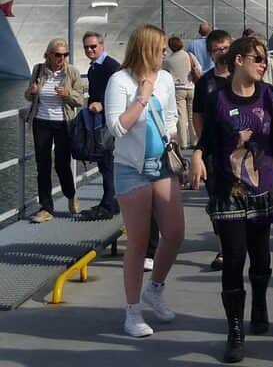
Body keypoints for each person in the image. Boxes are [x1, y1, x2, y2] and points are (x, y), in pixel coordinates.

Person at [190, 36, 273, 363]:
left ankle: (260, 302)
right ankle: (234, 331)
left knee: (261, 258)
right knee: (234, 258)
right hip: (230, 191)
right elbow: (209, 138)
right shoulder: (218, 99)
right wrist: (197, 156)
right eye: (257, 58)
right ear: (239, 60)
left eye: (265, 59)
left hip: (263, 188)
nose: (263, 64)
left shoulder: (268, 94)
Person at [105, 24, 185, 338]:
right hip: (131, 168)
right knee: (138, 242)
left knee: (175, 233)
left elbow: (169, 118)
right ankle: (133, 310)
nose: (165, 53)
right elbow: (116, 128)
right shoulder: (120, 81)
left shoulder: (165, 78)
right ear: (147, 48)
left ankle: (156, 288)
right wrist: (141, 98)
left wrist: (174, 138)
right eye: (161, 48)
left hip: (162, 164)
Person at [25, 38, 84, 223]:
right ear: (48, 54)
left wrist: (68, 95)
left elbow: (80, 100)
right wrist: (32, 92)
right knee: (42, 164)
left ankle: (70, 194)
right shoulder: (38, 70)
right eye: (58, 55)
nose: (62, 58)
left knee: (61, 164)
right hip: (41, 121)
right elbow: (28, 96)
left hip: (62, 123)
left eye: (65, 55)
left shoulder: (72, 72)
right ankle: (46, 208)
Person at [192, 28, 232, 271]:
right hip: (214, 152)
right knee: (217, 200)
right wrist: (203, 144)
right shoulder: (205, 82)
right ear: (209, 53)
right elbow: (197, 114)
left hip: (243, 152)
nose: (222, 53)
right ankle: (223, 248)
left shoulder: (241, 76)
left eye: (226, 48)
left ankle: (242, 240)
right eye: (217, 50)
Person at [81, 31, 121, 220]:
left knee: (107, 161)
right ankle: (112, 202)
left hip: (108, 121)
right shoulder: (94, 68)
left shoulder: (110, 66)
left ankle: (108, 205)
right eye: (87, 47)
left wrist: (102, 105)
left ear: (102, 46)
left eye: (93, 46)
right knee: (104, 161)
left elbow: (119, 92)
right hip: (99, 120)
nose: (90, 50)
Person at [162, 35, 196, 149]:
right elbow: (198, 68)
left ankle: (183, 142)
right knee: (192, 115)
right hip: (191, 87)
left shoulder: (168, 60)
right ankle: (194, 140)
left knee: (181, 117)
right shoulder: (189, 55)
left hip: (178, 89)